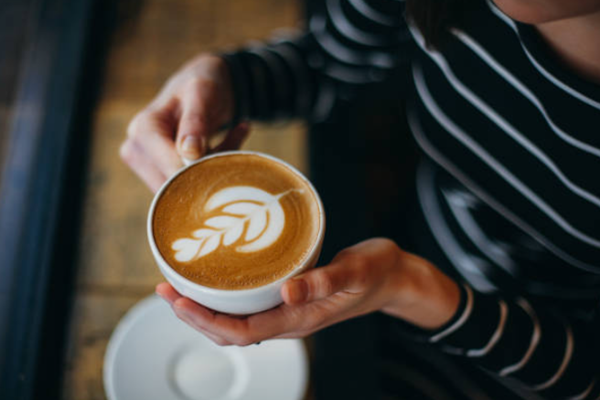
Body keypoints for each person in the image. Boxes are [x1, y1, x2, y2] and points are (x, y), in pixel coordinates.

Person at [120, 0, 600, 399]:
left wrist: (414, 291)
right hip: (393, 260)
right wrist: (225, 80)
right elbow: (329, 60)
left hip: (536, 366)